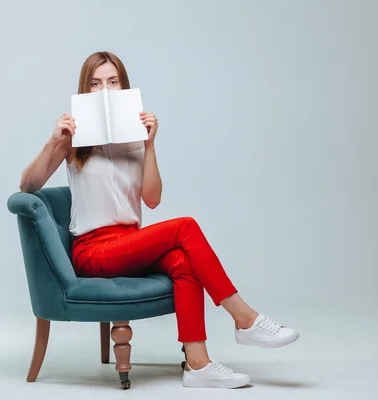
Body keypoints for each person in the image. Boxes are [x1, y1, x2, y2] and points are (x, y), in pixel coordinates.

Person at [19, 51, 299, 389]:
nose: (104, 89)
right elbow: (28, 185)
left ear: (123, 87)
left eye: (112, 81)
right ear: (85, 89)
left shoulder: (134, 141)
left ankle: (198, 364)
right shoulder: (73, 142)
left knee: (184, 260)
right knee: (185, 227)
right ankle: (244, 318)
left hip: (129, 243)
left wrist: (150, 145)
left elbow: (152, 199)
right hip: (93, 251)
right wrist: (53, 141)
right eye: (95, 83)